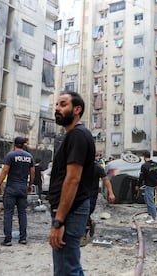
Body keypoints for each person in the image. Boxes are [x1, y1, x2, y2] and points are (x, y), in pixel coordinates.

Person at [48, 91, 95, 275]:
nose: (57, 108)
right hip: (70, 210)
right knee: (68, 267)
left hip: (70, 212)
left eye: (63, 104)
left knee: (66, 269)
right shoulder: (73, 135)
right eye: (57, 105)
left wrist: (59, 222)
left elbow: (72, 179)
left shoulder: (77, 135)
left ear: (77, 109)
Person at [0, 137, 35, 246]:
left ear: (14, 144)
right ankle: (23, 238)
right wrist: (30, 185)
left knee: (8, 213)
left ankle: (7, 239)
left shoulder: (11, 155)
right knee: (22, 213)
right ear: (23, 145)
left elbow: (5, 170)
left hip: (11, 188)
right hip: (22, 188)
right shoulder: (29, 156)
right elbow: (32, 173)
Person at [81, 160, 115, 245]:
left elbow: (105, 180)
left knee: (87, 213)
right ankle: (84, 235)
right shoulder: (81, 166)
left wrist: (111, 193)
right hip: (81, 194)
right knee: (84, 214)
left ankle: (88, 227)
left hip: (92, 195)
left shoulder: (97, 167)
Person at [138, 151, 157, 224]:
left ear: (144, 157)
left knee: (150, 201)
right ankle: (149, 214)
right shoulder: (156, 164)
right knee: (147, 199)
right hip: (154, 184)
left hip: (149, 185)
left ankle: (154, 218)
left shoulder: (144, 166)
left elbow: (141, 177)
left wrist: (138, 185)